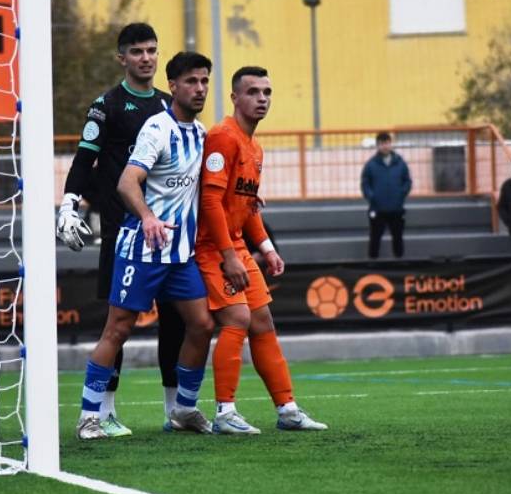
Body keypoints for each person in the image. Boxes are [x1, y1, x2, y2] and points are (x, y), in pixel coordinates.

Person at [76, 51, 216, 440]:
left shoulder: (201, 134)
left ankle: (183, 410)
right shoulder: (157, 128)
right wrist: (149, 217)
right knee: (118, 330)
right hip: (142, 250)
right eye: (191, 81)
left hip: (180, 254)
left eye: (205, 81)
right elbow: (126, 182)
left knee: (202, 325)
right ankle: (89, 417)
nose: (200, 88)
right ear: (173, 86)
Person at [57, 23, 186, 436]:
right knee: (119, 323)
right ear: (122, 59)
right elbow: (84, 160)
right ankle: (103, 412)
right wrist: (69, 203)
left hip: (165, 231)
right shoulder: (107, 105)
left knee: (177, 321)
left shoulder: (170, 105)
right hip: (122, 230)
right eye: (136, 52)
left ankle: (175, 411)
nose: (146, 58)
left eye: (151, 50)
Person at [196, 66, 327, 434]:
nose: (262, 99)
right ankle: (224, 413)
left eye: (267, 92)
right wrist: (228, 256)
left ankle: (287, 409)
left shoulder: (254, 146)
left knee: (263, 321)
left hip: (235, 244)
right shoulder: (223, 137)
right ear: (235, 98)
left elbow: (247, 204)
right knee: (237, 319)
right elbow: (210, 203)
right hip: (211, 247)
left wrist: (266, 248)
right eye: (253, 92)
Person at [361, 132, 412, 259]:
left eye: (387, 143)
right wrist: (372, 197)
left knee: (398, 237)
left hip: (396, 208)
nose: (385, 146)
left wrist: (401, 194)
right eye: (382, 144)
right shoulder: (371, 165)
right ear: (378, 145)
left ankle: (399, 263)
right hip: (377, 209)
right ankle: (373, 266)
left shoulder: (400, 163)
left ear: (391, 144)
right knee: (375, 238)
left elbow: (407, 181)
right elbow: (365, 183)